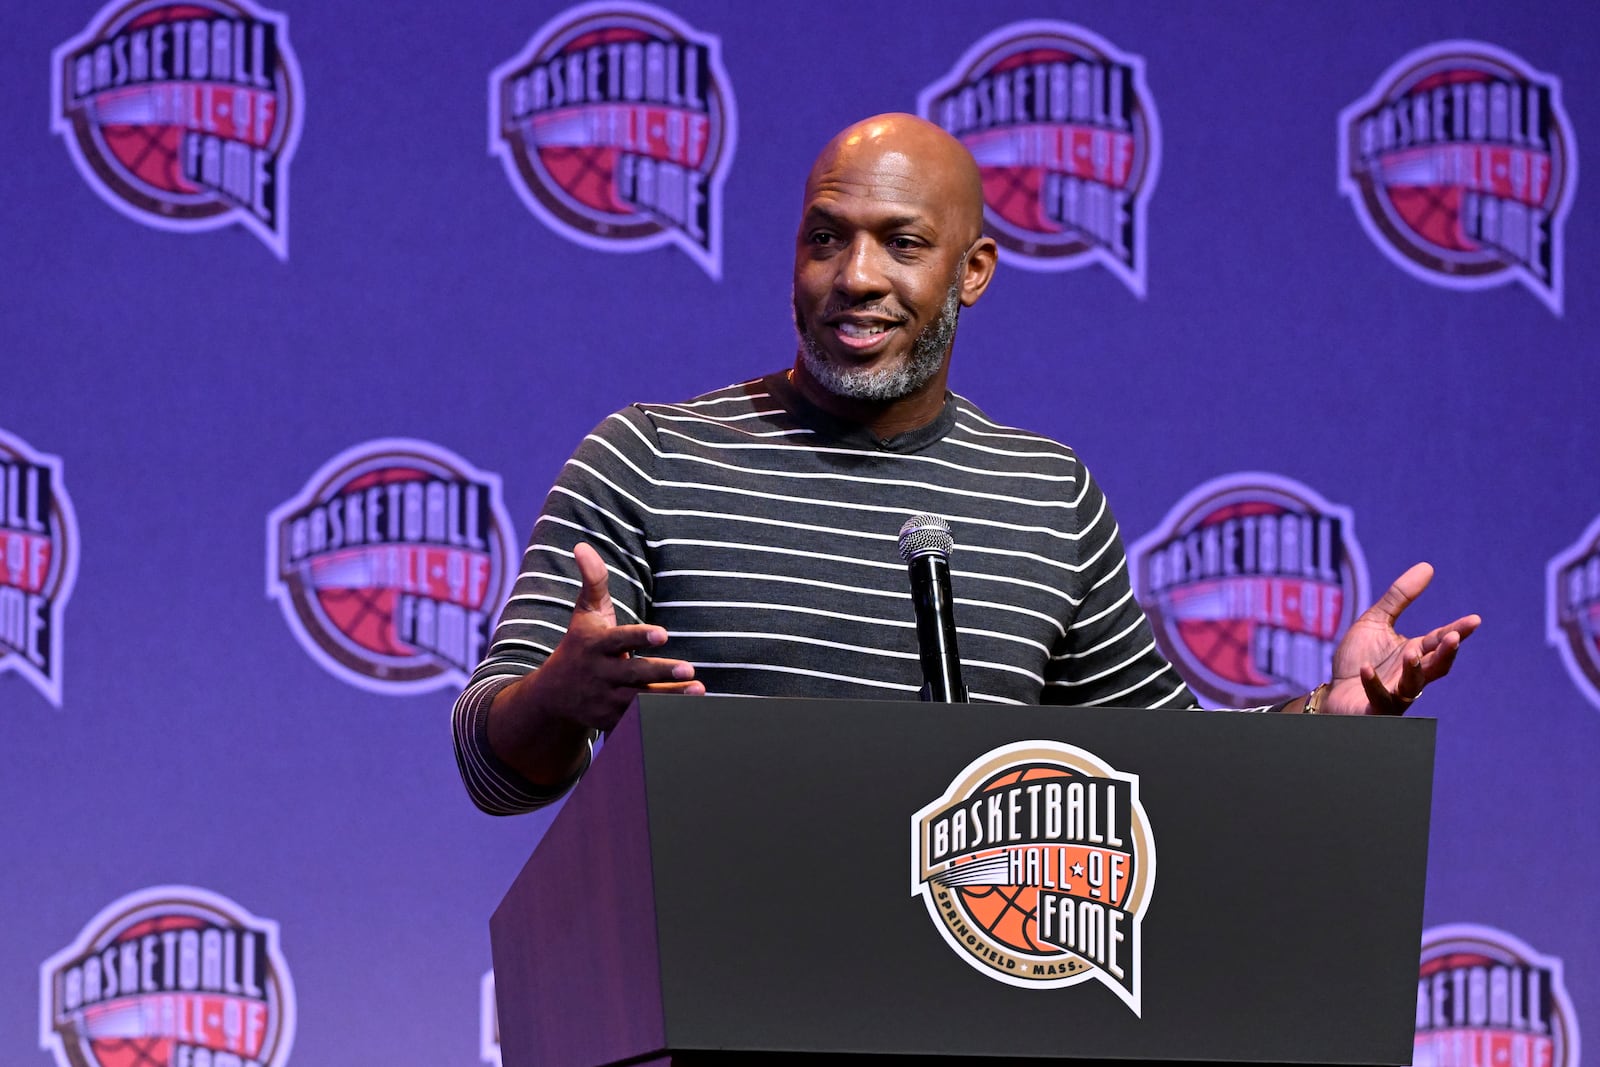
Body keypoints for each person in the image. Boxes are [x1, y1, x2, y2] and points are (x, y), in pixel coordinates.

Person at [452, 114, 1480, 815]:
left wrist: (1322, 713)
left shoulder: (1044, 493)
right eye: (824, 239)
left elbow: (1159, 768)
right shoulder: (650, 456)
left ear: (972, 271)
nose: (854, 278)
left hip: (969, 1010)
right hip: (705, 993)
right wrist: (559, 692)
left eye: (900, 243)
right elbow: (489, 764)